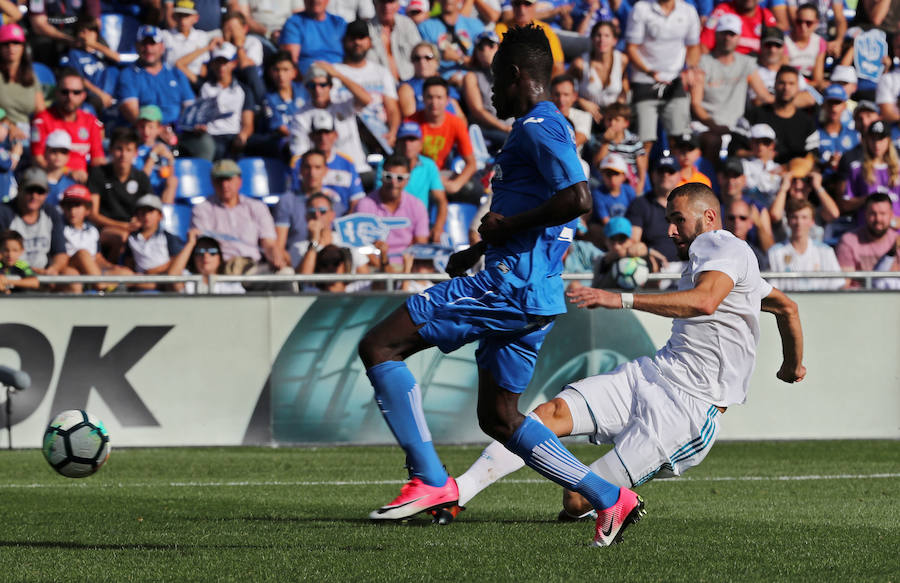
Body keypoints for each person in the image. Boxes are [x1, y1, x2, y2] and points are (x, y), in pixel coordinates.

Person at [358, 26, 640, 549]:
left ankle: (429, 479)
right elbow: (542, 211)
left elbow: (578, 198)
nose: (489, 90)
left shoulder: (538, 125)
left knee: (380, 345)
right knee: (500, 417)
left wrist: (506, 231)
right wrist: (481, 246)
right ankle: (610, 497)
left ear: (516, 76)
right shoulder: (537, 128)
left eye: (493, 78)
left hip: (510, 288)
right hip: (530, 290)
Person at [451, 182, 806, 534]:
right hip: (653, 374)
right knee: (549, 414)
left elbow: (703, 301)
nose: (669, 231)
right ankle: (457, 492)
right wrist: (793, 366)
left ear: (709, 217)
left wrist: (618, 298)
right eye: (668, 220)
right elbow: (786, 307)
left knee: (576, 500)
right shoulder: (724, 262)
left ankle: (602, 505)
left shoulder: (721, 244)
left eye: (678, 220)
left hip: (689, 410)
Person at [624, 0, 701, 153]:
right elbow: (631, 48)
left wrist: (690, 68)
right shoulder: (641, 8)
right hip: (644, 80)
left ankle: (676, 176)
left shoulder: (688, 11)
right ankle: (641, 177)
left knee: (680, 139)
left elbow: (693, 46)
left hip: (675, 80)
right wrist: (649, 72)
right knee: (644, 142)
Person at [191, 158, 288, 275]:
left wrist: (275, 256)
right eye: (219, 180)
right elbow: (204, 246)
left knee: (285, 273)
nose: (224, 184)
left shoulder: (257, 207)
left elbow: (268, 243)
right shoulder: (202, 209)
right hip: (219, 270)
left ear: (239, 181)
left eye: (228, 179)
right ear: (212, 182)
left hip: (253, 268)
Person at [691, 13, 772, 134]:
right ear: (716, 34)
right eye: (724, 33)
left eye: (732, 34)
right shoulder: (703, 63)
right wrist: (714, 126)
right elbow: (696, 103)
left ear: (738, 37)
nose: (727, 38)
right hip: (706, 126)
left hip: (736, 127)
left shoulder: (746, 63)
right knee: (713, 141)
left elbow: (764, 96)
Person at [373, 121, 448, 242]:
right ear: (397, 143)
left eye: (412, 140)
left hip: (420, 224)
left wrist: (438, 227)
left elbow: (441, 200)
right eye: (404, 140)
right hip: (388, 223)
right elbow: (381, 196)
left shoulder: (429, 165)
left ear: (420, 144)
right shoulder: (385, 165)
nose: (408, 144)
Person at [87, 127, 155, 260]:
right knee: (122, 237)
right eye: (119, 149)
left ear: (135, 153)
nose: (123, 155)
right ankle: (111, 272)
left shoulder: (141, 178)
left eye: (129, 150)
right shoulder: (98, 173)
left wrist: (138, 222)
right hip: (103, 230)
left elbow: (151, 211)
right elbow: (92, 214)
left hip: (134, 230)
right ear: (111, 150)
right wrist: (123, 226)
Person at [409, 76, 480, 200]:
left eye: (439, 97)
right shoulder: (410, 122)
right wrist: (432, 178)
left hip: (442, 174)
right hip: (415, 174)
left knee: (477, 189)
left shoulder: (456, 123)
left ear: (448, 100)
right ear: (423, 99)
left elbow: (471, 164)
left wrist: (456, 185)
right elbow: (405, 160)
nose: (434, 103)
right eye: (429, 97)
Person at [334, 20, 401, 150]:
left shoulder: (381, 72)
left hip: (378, 136)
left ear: (369, 42)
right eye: (352, 38)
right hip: (346, 136)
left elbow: (392, 108)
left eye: (361, 38)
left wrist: (392, 132)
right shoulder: (334, 71)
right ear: (344, 41)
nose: (357, 43)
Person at [31, 69, 106, 183]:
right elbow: (37, 160)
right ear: (56, 93)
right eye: (65, 92)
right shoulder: (41, 120)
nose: (70, 97)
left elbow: (98, 159)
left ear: (83, 95)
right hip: (51, 181)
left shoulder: (91, 121)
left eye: (76, 92)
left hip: (84, 183)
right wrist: (68, 172)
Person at [355, 154, 430, 269]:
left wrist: (406, 269)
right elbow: (361, 246)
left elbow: (420, 244)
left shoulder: (417, 205)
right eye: (388, 177)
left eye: (399, 178)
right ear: (381, 177)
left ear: (407, 180)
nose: (394, 183)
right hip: (374, 267)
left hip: (407, 266)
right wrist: (385, 267)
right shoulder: (365, 204)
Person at [115, 25, 196, 127]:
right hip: (144, 133)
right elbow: (132, 112)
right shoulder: (128, 74)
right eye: (144, 44)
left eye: (153, 43)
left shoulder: (176, 74)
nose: (148, 48)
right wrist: (158, 130)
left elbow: (189, 106)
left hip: (178, 130)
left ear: (162, 47)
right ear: (136, 46)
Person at [60, 184, 133, 293]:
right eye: (68, 206)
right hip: (71, 268)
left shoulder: (92, 230)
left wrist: (111, 267)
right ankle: (104, 288)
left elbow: (98, 258)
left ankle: (161, 286)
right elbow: (60, 258)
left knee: (126, 273)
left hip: (93, 271)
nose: (72, 211)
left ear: (87, 210)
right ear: (63, 209)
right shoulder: (59, 228)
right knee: (82, 254)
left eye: (77, 205)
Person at [0, 167, 68, 278]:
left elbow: (60, 252)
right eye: (29, 190)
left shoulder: (51, 213)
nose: (34, 196)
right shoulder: (4, 212)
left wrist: (53, 269)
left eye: (40, 191)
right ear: (19, 189)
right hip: (11, 276)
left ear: (46, 194)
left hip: (43, 275)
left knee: (71, 275)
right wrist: (27, 272)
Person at [745, 65, 819, 165]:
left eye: (791, 84)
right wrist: (757, 155)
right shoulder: (755, 115)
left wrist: (788, 170)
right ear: (774, 85)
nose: (786, 88)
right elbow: (735, 150)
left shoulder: (807, 122)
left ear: (798, 88)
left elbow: (813, 157)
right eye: (782, 83)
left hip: (793, 175)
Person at [767, 198, 844, 290]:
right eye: (794, 217)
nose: (799, 223)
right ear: (787, 221)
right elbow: (771, 289)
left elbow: (837, 285)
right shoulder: (775, 253)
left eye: (804, 217)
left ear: (812, 222)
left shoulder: (826, 252)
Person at [303, 110, 366, 215]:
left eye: (327, 132)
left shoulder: (347, 163)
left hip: (341, 223)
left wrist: (344, 225)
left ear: (335, 135)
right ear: (311, 136)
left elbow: (356, 199)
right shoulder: (299, 162)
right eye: (318, 133)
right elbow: (295, 198)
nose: (323, 138)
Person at [567, 21, 628, 124]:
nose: (602, 40)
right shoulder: (580, 64)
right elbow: (563, 87)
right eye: (598, 35)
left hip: (612, 118)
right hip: (585, 116)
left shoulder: (622, 60)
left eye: (607, 36)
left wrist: (618, 107)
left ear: (615, 40)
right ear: (592, 39)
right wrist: (580, 101)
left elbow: (625, 88)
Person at [461, 31, 511, 152]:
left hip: (513, 127)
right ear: (476, 52)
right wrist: (505, 128)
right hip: (487, 130)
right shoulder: (471, 77)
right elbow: (477, 111)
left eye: (491, 45)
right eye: (480, 47)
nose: (485, 50)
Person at [417, 0, 487, 85]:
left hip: (474, 78)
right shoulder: (425, 27)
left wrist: (458, 58)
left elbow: (487, 58)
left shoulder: (475, 24)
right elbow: (423, 62)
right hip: (442, 80)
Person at [843, 120, 900, 224]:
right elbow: (846, 204)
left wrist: (894, 223)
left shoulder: (898, 168)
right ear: (867, 141)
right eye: (873, 139)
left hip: (896, 231)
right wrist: (868, 199)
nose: (877, 144)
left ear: (888, 141)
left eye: (881, 139)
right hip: (867, 230)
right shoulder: (857, 168)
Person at [626, 157, 681, 263]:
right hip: (653, 269)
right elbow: (633, 244)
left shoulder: (689, 204)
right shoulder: (639, 204)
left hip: (687, 267)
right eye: (661, 171)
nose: (665, 175)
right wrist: (649, 253)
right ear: (653, 175)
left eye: (671, 171)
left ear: (679, 176)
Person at [123, 194, 184, 290]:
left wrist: (153, 271)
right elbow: (129, 262)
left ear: (160, 216)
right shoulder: (131, 239)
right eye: (142, 212)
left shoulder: (168, 237)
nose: (146, 216)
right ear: (137, 216)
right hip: (141, 280)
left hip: (165, 277)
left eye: (150, 211)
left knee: (174, 281)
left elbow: (177, 260)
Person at [495, 0, 566, 78]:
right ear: (512, 5)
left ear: (535, 5)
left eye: (527, 4)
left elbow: (558, 66)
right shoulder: (501, 28)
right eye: (517, 4)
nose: (522, 9)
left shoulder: (545, 30)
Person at [836, 192, 898, 279]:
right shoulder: (849, 241)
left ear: (891, 215)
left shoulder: (897, 242)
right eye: (873, 213)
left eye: (883, 213)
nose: (878, 219)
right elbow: (845, 283)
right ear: (865, 214)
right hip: (859, 291)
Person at [0, 23, 45, 140]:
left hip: (27, 132)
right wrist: (9, 125)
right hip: (3, 129)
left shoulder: (31, 76)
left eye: (16, 43)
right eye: (6, 44)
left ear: (23, 47)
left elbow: (41, 111)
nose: (11, 47)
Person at [279, 0, 348, 75]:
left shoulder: (339, 22)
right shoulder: (294, 23)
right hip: (309, 77)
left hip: (339, 74)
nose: (315, 1)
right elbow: (292, 61)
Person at [168, 229, 247, 294]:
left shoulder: (231, 284)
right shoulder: (188, 281)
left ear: (220, 257)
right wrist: (190, 243)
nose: (206, 255)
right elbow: (173, 275)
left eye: (212, 251)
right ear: (193, 258)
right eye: (200, 251)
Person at [401, 41, 466, 119]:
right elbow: (411, 122)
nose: (422, 62)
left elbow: (461, 118)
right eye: (417, 58)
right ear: (412, 62)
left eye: (428, 57)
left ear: (437, 62)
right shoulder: (407, 88)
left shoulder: (444, 85)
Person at [592, 102, 647, 195]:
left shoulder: (634, 140)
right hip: (606, 182)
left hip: (628, 183)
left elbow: (641, 167)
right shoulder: (599, 140)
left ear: (626, 123)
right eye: (609, 119)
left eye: (617, 120)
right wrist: (605, 142)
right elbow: (597, 164)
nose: (612, 123)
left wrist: (640, 185)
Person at [367, 0, 423, 82]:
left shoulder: (407, 24)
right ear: (375, 4)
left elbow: (420, 53)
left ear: (398, 4)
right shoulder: (367, 30)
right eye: (383, 2)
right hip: (379, 84)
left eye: (391, 2)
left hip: (409, 83)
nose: (387, 7)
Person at [700, 0, 778, 55]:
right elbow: (704, 45)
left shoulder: (766, 15)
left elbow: (779, 49)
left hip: (757, 67)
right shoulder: (722, 11)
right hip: (726, 65)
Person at [784, 2, 826, 90]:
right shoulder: (785, 41)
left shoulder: (820, 42)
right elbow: (785, 75)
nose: (803, 26)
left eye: (808, 23)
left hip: (808, 86)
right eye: (799, 22)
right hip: (789, 86)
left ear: (816, 23)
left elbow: (817, 79)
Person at [550, 74, 592, 155]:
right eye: (557, 94)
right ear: (550, 95)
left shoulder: (584, 116)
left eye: (566, 94)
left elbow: (576, 141)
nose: (561, 99)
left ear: (574, 96)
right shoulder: (544, 116)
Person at [724, 198, 771, 268]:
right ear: (725, 221)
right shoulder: (714, 250)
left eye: (742, 218)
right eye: (731, 218)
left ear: (750, 223)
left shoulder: (757, 256)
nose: (736, 221)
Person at [42, 130, 77, 207]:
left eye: (63, 151)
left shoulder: (72, 184)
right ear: (45, 153)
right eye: (53, 151)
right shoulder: (35, 180)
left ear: (68, 156)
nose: (58, 155)